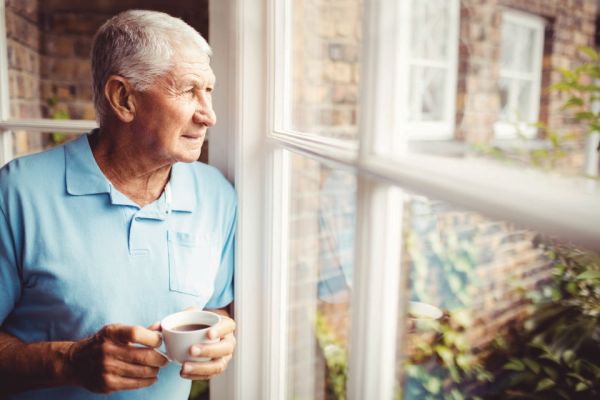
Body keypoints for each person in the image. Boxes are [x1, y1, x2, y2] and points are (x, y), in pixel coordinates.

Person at [0, 9, 236, 399]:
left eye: (208, 91)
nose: (208, 114)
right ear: (123, 98)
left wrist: (221, 334)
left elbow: (217, 309)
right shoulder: (17, 193)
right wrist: (69, 362)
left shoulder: (217, 195)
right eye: (188, 89)